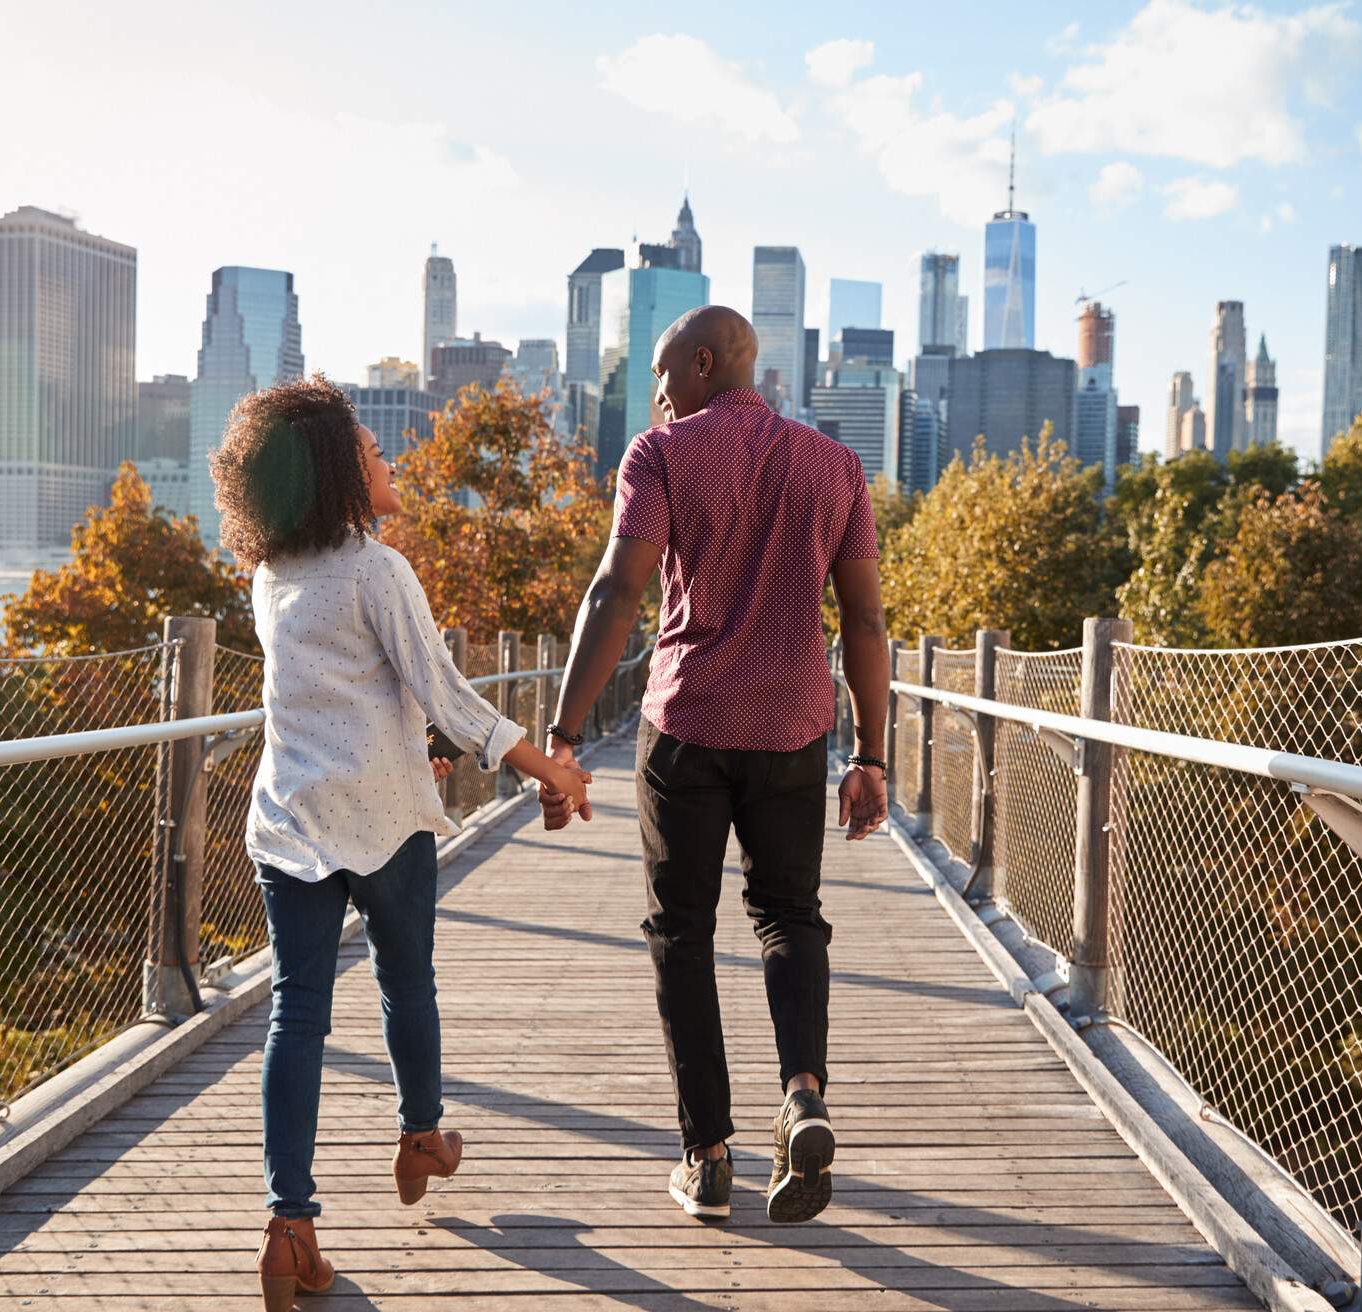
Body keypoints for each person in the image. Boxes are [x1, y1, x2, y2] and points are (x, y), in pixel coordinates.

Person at [209, 375, 592, 1310]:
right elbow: (445, 690)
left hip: (290, 822)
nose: (392, 462)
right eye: (377, 452)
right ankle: (421, 1135)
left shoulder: (272, 577)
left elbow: (334, 693)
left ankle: (289, 1225)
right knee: (404, 981)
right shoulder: (376, 568)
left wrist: (412, 740)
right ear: (342, 470)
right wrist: (549, 768)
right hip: (382, 824)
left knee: (296, 1015)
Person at [539, 306, 891, 1223]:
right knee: (789, 918)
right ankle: (804, 1093)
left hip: (688, 725)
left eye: (661, 374)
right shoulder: (837, 465)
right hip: (792, 729)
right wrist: (872, 754)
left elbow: (619, 590)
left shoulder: (659, 457)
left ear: (704, 364)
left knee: (680, 931)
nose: (655, 395)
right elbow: (864, 620)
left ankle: (707, 1154)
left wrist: (565, 735)